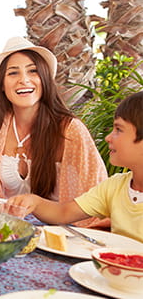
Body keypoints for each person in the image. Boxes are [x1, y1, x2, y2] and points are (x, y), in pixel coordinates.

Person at [0, 37, 108, 228]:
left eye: (33, 71)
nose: (24, 80)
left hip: (59, 240)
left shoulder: (70, 129)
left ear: (44, 78)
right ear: (1, 84)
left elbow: (96, 198)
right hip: (3, 230)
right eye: (13, 73)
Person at [8, 92, 143, 242]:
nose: (108, 137)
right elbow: (64, 212)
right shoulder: (114, 187)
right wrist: (34, 202)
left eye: (119, 130)